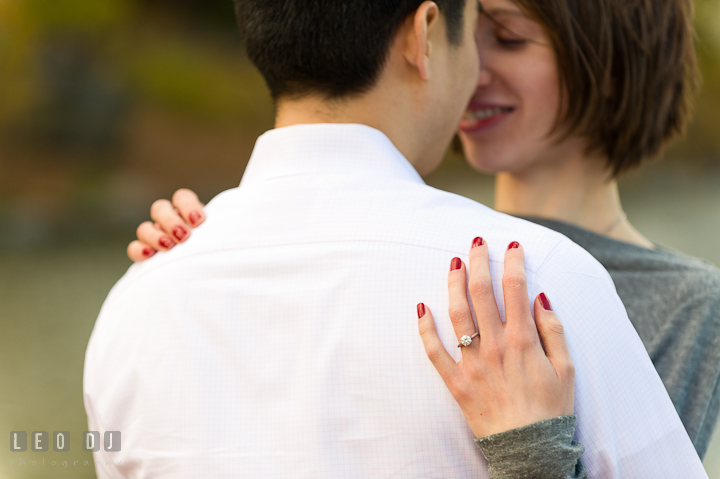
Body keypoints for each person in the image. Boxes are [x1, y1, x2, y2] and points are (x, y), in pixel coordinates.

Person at [85, 0, 706, 478]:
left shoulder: (131, 305)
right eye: (476, 30)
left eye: (510, 38)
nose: (479, 70)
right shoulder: (549, 275)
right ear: (425, 33)